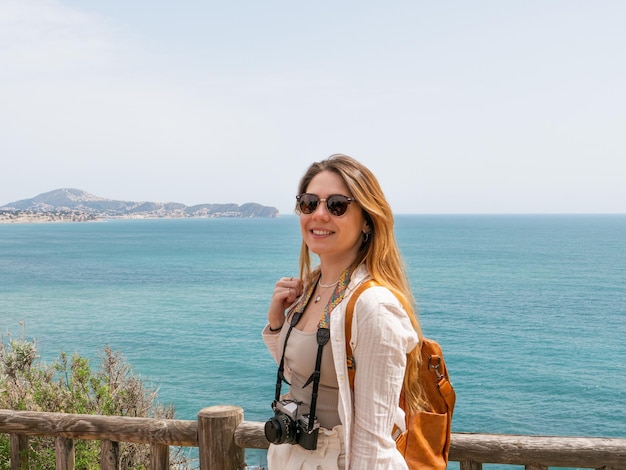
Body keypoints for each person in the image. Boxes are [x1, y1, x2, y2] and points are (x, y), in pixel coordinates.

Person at [262, 154, 425, 469]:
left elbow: (373, 441)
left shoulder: (373, 306)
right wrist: (276, 325)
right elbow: (304, 375)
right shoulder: (309, 291)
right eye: (309, 203)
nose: (319, 214)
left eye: (336, 205)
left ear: (367, 219)